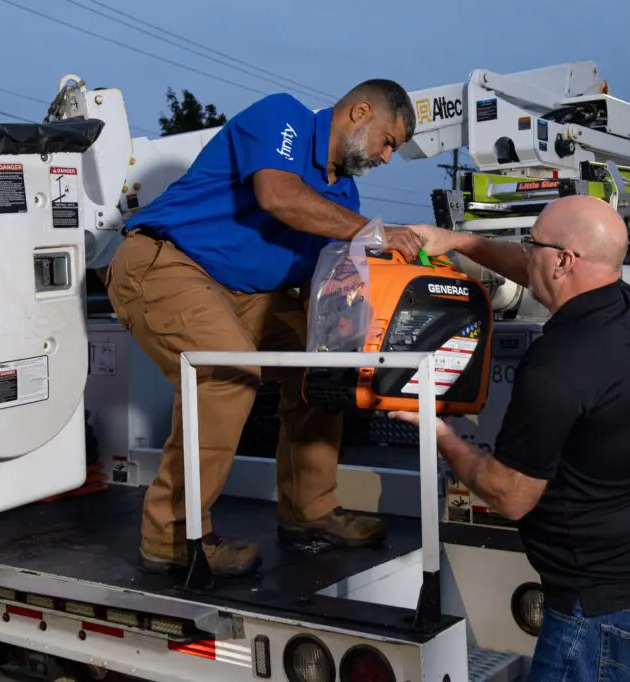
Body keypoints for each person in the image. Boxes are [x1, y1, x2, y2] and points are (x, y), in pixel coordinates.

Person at [105, 78, 430, 577]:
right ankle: (171, 534)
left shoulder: (343, 192)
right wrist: (376, 232)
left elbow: (317, 284)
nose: (388, 157)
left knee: (325, 365)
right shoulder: (287, 119)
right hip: (165, 263)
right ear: (360, 112)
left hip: (246, 295)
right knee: (228, 371)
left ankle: (310, 510)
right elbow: (278, 195)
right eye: (389, 141)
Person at [391, 196, 630, 680]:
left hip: (602, 615)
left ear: (563, 261)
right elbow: (529, 266)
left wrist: (436, 431)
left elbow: (511, 496)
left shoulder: (558, 363)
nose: (525, 252)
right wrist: (458, 241)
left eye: (532, 243)